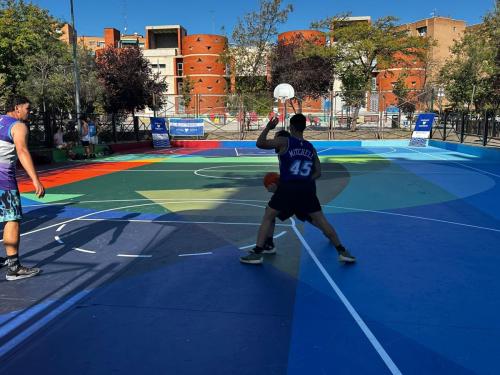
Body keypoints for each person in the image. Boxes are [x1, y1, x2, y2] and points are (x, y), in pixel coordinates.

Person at [240, 113, 355, 265]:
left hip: (288, 189)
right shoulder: (310, 147)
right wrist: (304, 180)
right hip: (307, 190)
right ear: (304, 127)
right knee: (321, 220)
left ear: (291, 127)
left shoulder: (284, 141)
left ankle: (258, 252)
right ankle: (342, 251)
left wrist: (269, 127)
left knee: (268, 215)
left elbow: (260, 143)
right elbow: (318, 172)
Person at [0, 95, 45, 280]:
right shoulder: (18, 126)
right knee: (12, 218)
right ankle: (14, 268)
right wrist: (36, 180)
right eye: (28, 108)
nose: (30, 112)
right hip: (3, 180)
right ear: (17, 107)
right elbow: (22, 151)